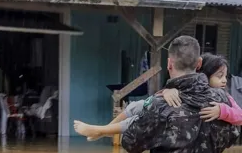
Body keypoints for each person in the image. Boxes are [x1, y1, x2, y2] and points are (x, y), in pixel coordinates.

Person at [121, 36, 239, 153]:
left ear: (169, 64)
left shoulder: (160, 106)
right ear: (199, 63)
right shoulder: (222, 101)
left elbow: (130, 144)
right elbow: (233, 135)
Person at [73, 53, 242, 139]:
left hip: (188, 130)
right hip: (178, 122)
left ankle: (101, 131)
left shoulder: (224, 98)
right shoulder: (189, 86)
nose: (224, 81)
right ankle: (105, 130)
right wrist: (168, 91)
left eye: (225, 76)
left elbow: (240, 117)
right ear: (203, 74)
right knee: (138, 106)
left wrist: (222, 111)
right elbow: (161, 97)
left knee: (141, 119)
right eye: (219, 76)